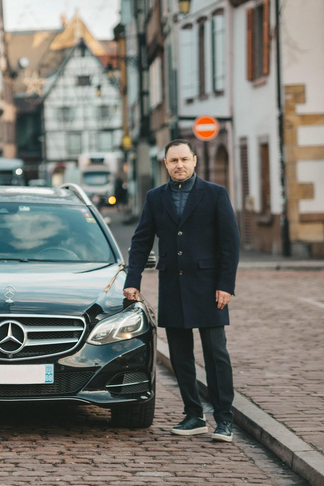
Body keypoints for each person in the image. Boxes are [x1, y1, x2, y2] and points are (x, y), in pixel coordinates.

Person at [123, 139, 240, 443]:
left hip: (209, 288)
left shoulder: (215, 195)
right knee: (180, 356)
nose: (179, 165)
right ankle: (193, 415)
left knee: (216, 355)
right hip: (172, 286)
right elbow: (141, 241)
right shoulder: (155, 197)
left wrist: (226, 285)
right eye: (173, 160)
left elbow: (230, 244)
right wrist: (132, 280)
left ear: (194, 161)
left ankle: (224, 419)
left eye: (184, 159)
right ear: (165, 164)